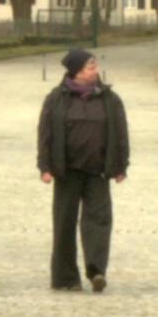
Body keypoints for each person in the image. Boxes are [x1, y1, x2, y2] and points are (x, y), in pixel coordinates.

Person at [37, 48, 129, 293]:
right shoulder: (56, 98)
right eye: (90, 67)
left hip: (98, 170)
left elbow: (121, 133)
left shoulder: (110, 99)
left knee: (99, 221)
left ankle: (96, 270)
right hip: (66, 171)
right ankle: (65, 277)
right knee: (64, 223)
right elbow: (45, 134)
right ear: (76, 71)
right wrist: (44, 166)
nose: (95, 70)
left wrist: (121, 165)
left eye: (95, 65)